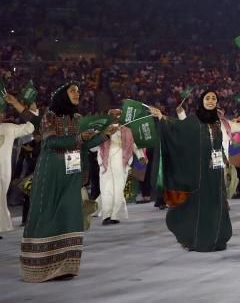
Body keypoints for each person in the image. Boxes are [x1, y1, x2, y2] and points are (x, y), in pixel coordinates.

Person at [21, 81, 118, 282]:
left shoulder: (77, 117)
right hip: (52, 172)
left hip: (72, 171)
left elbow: (83, 145)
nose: (77, 93)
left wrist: (105, 135)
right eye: (72, 90)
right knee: (49, 213)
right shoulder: (50, 116)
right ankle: (43, 266)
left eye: (78, 91)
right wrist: (80, 137)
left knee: (70, 214)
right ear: (62, 95)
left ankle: (65, 266)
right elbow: (51, 142)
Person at [150, 91, 232, 252]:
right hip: (199, 173)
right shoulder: (193, 120)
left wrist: (223, 159)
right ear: (201, 101)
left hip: (215, 172)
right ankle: (197, 239)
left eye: (214, 98)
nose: (210, 101)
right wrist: (162, 117)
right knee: (199, 205)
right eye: (207, 98)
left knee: (216, 204)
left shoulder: (216, 122)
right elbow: (177, 128)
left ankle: (216, 238)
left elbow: (217, 144)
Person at [92, 109, 144, 225]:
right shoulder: (101, 129)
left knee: (118, 190)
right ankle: (106, 216)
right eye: (112, 114)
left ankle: (115, 215)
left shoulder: (127, 130)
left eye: (117, 114)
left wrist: (141, 156)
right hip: (105, 162)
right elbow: (92, 147)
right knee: (106, 189)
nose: (115, 116)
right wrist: (104, 134)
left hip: (121, 161)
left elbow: (134, 145)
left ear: (121, 116)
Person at [1, 93, 35, 235]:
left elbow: (30, 128)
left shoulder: (8, 128)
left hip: (4, 169)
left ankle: (2, 225)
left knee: (1, 196)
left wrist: (32, 111)